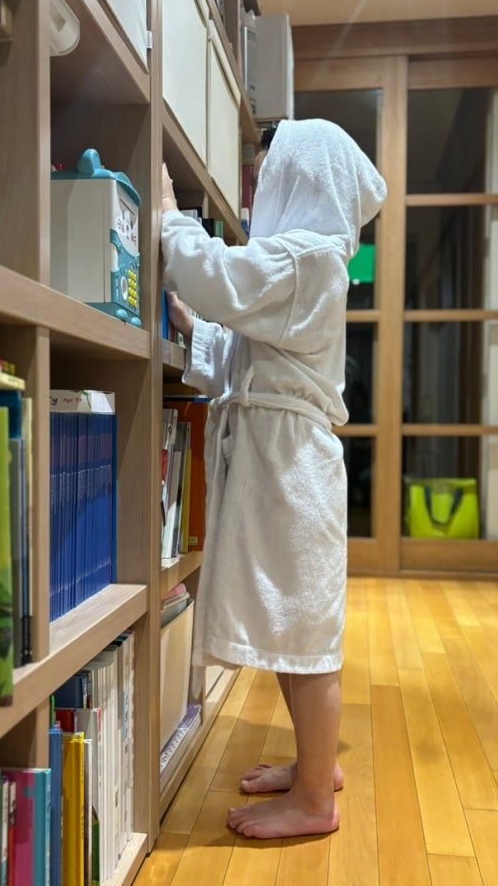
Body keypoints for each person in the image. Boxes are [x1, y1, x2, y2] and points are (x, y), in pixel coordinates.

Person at [161, 118, 387, 839]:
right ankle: (314, 767)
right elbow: (243, 347)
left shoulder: (309, 258)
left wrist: (168, 219)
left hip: (293, 471)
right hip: (282, 460)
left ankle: (316, 799)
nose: (256, 196)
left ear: (301, 178)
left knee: (309, 642)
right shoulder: (303, 264)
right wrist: (194, 328)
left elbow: (223, 277)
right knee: (295, 631)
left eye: (264, 178)